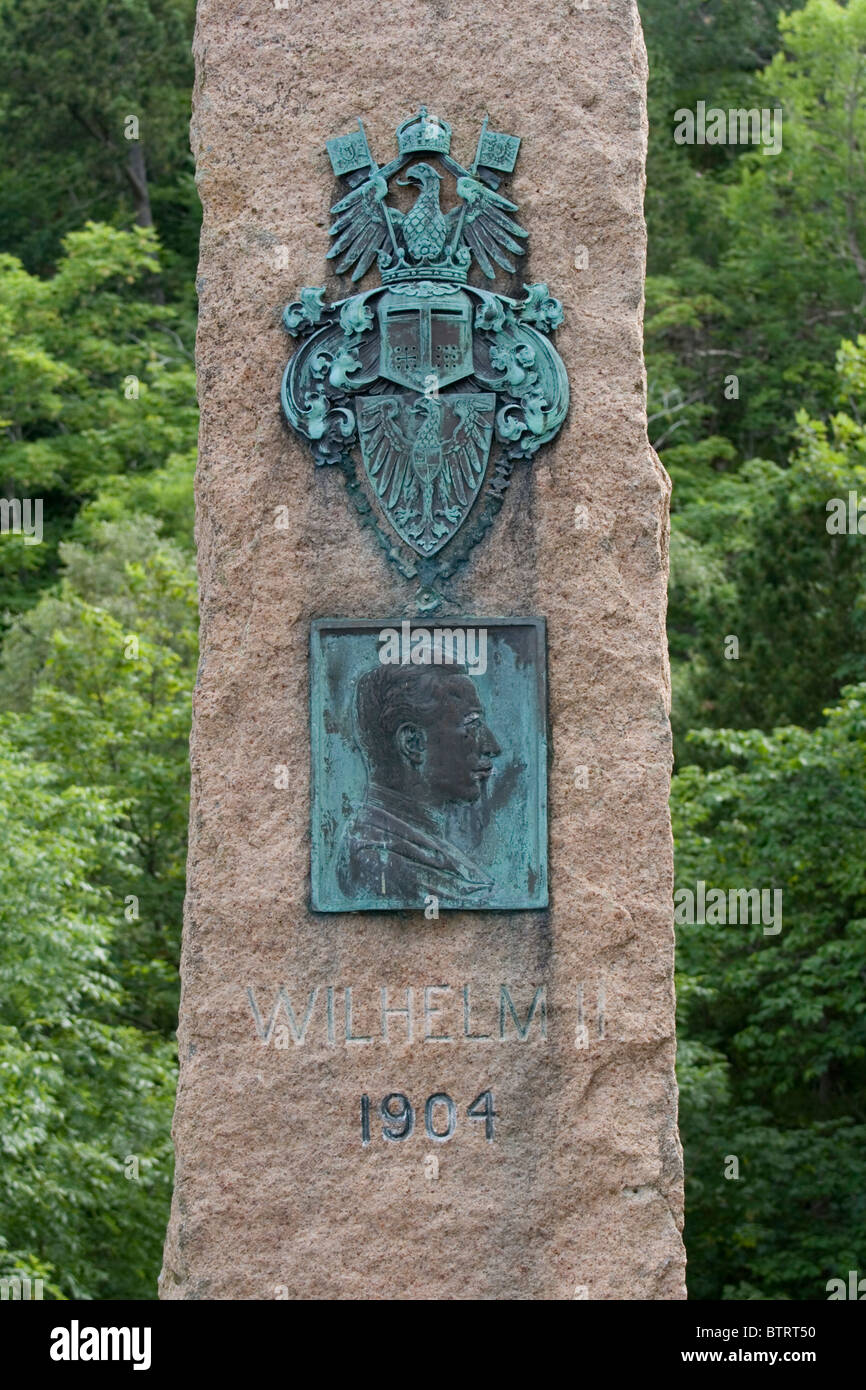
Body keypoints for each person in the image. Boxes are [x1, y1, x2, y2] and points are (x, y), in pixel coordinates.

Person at [336, 661, 501, 905]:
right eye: (472, 724)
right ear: (413, 743)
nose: (492, 747)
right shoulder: (379, 862)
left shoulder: (422, 845)